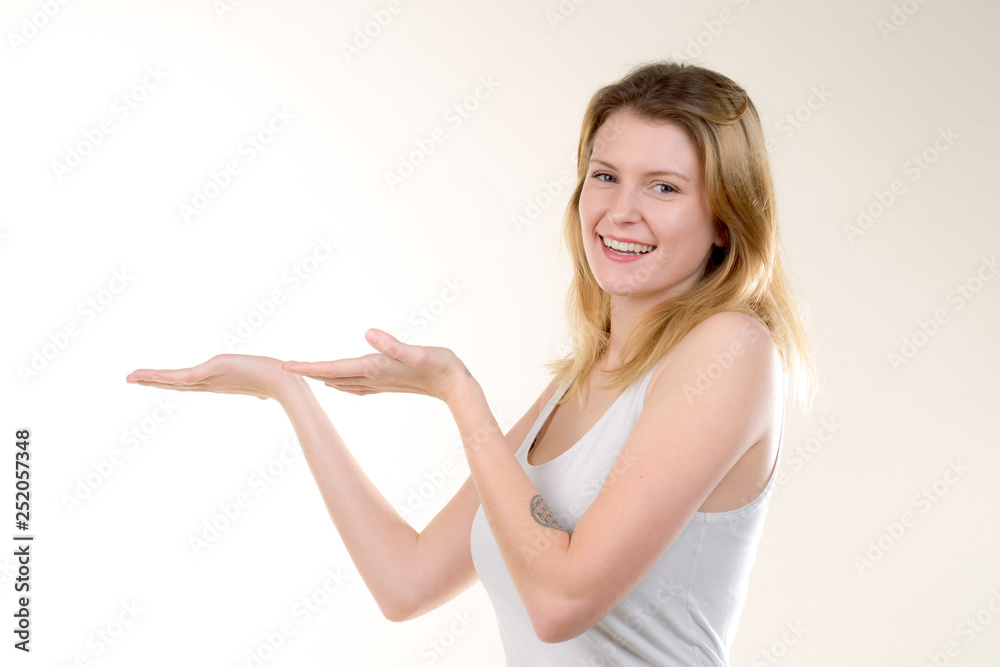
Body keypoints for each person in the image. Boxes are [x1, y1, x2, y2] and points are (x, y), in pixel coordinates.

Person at [126, 59, 816, 666]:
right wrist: (288, 392)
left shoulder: (731, 349)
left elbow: (560, 601)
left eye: (663, 187)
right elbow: (406, 583)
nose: (620, 212)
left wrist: (459, 395)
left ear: (724, 219)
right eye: (605, 176)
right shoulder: (579, 382)